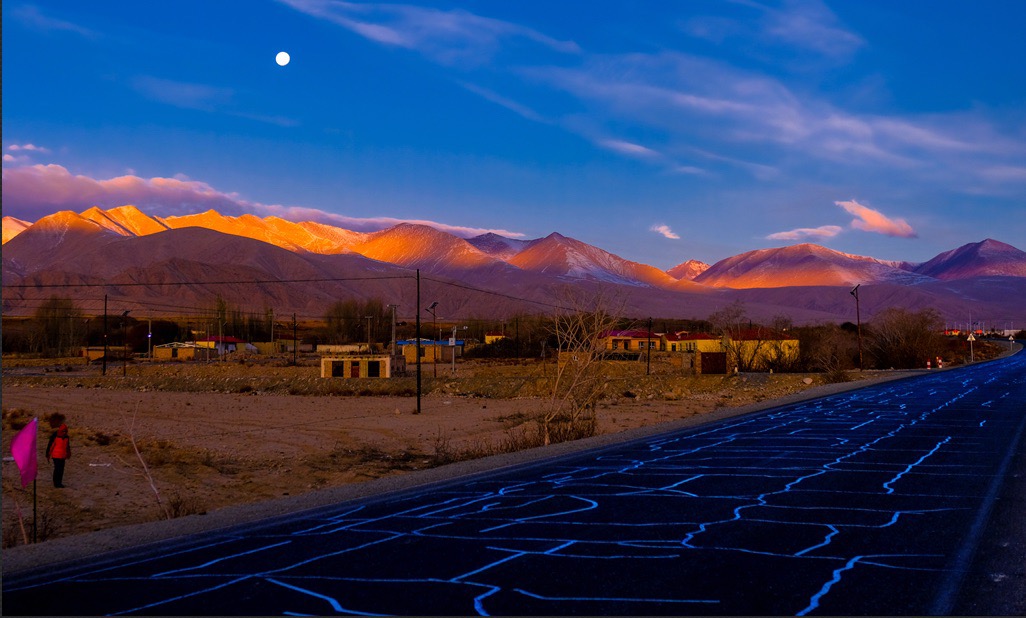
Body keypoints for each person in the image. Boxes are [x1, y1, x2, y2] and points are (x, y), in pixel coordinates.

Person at [46, 423, 71, 488]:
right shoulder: (55, 436)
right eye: (63, 431)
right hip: (56, 456)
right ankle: (56, 483)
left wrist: (68, 454)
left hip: (63, 456)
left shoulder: (66, 438)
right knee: (57, 469)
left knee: (61, 470)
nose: (64, 432)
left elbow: (67, 447)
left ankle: (59, 483)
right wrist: (48, 454)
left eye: (65, 431)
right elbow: (51, 446)